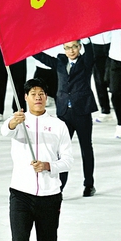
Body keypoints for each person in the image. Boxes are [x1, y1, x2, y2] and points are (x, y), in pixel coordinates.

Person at [2, 79, 73, 241]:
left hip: (49, 197)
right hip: (21, 195)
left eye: (41, 93)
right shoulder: (19, 122)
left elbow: (68, 161)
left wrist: (48, 166)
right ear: (25, 97)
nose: (38, 97)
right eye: (33, 94)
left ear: (46, 97)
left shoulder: (58, 125)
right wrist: (13, 122)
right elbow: (5, 130)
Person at [32, 40, 97, 197]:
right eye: (67, 47)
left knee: (86, 148)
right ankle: (59, 187)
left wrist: (85, 37)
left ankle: (89, 184)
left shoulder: (85, 61)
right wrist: (27, 47)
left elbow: (90, 51)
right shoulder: (60, 61)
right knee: (61, 151)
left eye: (74, 47)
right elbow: (42, 57)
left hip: (82, 112)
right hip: (64, 114)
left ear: (79, 47)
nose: (71, 51)